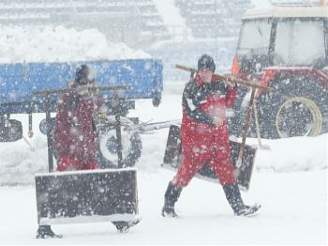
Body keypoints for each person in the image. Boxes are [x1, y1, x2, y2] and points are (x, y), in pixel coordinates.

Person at [36, 65, 136, 238]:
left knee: (97, 185)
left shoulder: (84, 96)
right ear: (84, 81)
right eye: (91, 81)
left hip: (84, 149)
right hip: (71, 150)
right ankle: (44, 227)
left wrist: (95, 100)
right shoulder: (71, 97)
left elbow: (94, 112)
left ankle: (118, 220)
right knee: (62, 186)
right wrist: (70, 148)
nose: (94, 85)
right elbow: (68, 125)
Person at [161, 54, 260, 218]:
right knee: (185, 173)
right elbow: (191, 112)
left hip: (218, 139)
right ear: (198, 71)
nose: (205, 73)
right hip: (196, 140)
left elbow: (229, 102)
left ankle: (238, 207)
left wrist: (232, 87)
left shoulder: (219, 84)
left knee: (226, 172)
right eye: (202, 70)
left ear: (213, 71)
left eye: (208, 70)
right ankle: (168, 205)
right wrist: (210, 119)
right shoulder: (191, 88)